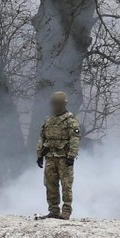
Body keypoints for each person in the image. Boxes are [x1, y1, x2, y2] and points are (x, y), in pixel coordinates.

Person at [36, 91, 81, 220]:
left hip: (64, 157)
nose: (55, 106)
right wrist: (40, 154)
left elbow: (75, 139)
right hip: (50, 156)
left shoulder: (70, 121)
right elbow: (42, 137)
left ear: (63, 104)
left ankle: (66, 211)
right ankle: (53, 210)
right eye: (54, 104)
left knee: (66, 185)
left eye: (58, 104)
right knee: (50, 184)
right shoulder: (49, 120)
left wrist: (71, 156)